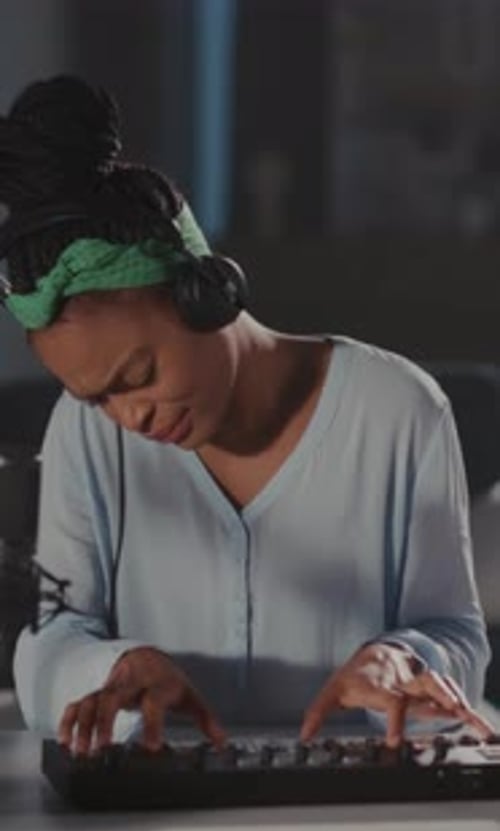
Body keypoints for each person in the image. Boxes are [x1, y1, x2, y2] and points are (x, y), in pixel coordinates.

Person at [0, 75, 493, 756]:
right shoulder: (86, 432)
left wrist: (405, 657)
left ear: (203, 293)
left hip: (358, 812)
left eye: (137, 376)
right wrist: (111, 667)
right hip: (151, 815)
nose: (129, 416)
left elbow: (455, 631)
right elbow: (55, 633)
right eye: (99, 396)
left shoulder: (398, 411)